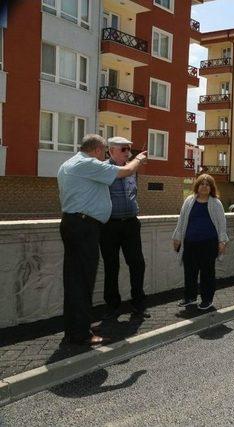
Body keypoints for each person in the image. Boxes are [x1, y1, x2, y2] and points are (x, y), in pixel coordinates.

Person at [57, 134, 147, 346]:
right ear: (98, 150)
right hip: (84, 227)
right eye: (105, 150)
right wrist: (140, 159)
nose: (104, 155)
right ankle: (80, 334)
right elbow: (126, 171)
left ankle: (74, 330)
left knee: (75, 281)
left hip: (75, 224)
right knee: (82, 282)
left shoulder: (69, 164)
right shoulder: (87, 164)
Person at [100, 137, 148, 320]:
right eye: (123, 149)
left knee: (137, 264)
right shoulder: (104, 168)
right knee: (111, 266)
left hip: (130, 223)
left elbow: (133, 192)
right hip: (109, 224)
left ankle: (139, 305)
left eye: (129, 149)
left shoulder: (132, 169)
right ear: (111, 151)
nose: (128, 153)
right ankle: (112, 306)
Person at [172, 174, 228, 311]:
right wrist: (177, 237)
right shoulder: (189, 201)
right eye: (202, 184)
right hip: (190, 243)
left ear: (211, 188)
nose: (204, 186)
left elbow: (222, 224)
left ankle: (207, 299)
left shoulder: (216, 203)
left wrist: (222, 241)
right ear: (197, 186)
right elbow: (182, 220)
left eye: (207, 184)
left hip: (208, 244)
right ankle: (190, 297)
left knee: (207, 273)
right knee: (190, 272)